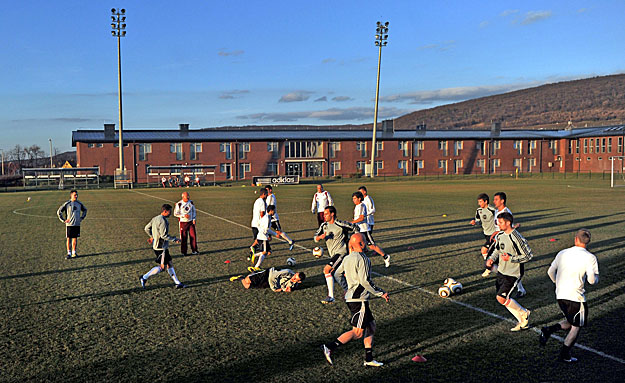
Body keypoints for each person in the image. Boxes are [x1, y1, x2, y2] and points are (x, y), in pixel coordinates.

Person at [321, 233, 390, 367]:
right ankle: (330, 347)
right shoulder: (363, 259)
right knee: (358, 333)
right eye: (364, 241)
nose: (366, 244)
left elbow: (336, 273)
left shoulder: (347, 258)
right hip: (359, 300)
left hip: (353, 298)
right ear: (361, 244)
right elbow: (365, 281)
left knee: (371, 326)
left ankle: (369, 359)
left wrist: (346, 288)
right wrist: (380, 292)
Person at [539, 229, 599, 363]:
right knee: (576, 327)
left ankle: (548, 330)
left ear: (576, 239)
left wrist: (557, 283)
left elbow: (550, 271)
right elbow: (591, 281)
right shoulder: (590, 257)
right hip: (576, 297)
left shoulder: (562, 253)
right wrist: (596, 277)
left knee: (571, 321)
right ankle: (564, 354)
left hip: (560, 295)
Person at [485, 212, 532, 331]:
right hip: (502, 271)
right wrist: (491, 259)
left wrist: (511, 258)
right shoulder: (500, 235)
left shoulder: (516, 237)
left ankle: (524, 313)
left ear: (508, 223)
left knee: (501, 298)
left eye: (500, 222)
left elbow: (528, 255)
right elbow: (497, 249)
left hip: (513, 273)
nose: (498, 224)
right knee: (503, 299)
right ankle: (523, 321)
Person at [314, 206, 359, 304]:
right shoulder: (324, 225)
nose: (324, 216)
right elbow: (315, 238)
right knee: (338, 274)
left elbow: (356, 228)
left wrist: (352, 243)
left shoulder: (340, 224)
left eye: (326, 214)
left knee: (327, 270)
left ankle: (331, 297)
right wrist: (320, 237)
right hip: (333, 254)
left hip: (341, 253)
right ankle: (349, 291)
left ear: (332, 214)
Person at [489, 192, 526, 297]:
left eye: (496, 199)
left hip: (505, 242)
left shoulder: (506, 212)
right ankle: (512, 284)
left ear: (502, 201)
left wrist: (499, 234)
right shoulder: (497, 211)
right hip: (499, 241)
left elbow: (510, 228)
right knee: (491, 264)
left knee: (497, 265)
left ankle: (518, 288)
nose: (494, 201)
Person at [140, 204, 186, 289]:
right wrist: (175, 239)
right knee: (162, 267)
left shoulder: (155, 218)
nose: (170, 214)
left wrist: (152, 236)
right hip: (161, 247)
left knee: (170, 263)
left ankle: (177, 283)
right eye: (169, 212)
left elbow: (146, 228)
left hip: (159, 246)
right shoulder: (163, 221)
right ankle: (144, 277)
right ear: (165, 211)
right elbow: (164, 236)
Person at [351, 191, 390, 267]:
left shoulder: (362, 206)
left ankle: (385, 256)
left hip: (364, 230)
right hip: (358, 230)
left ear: (359, 198)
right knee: (355, 245)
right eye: (353, 198)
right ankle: (357, 263)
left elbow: (361, 218)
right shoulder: (356, 206)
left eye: (355, 198)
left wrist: (352, 222)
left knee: (372, 245)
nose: (353, 200)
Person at [470, 193, 497, 277]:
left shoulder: (492, 210)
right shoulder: (479, 211)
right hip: (486, 235)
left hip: (494, 235)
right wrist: (475, 222)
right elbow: (478, 221)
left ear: (486, 202)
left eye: (480, 202)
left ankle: (488, 268)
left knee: (484, 250)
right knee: (495, 253)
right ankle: (494, 266)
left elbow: (499, 220)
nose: (479, 204)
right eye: (478, 202)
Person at [57, 190, 88, 259]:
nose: (76, 196)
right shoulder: (67, 204)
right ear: (71, 195)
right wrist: (63, 220)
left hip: (77, 224)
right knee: (69, 239)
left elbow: (85, 210)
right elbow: (59, 211)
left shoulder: (79, 204)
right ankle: (69, 253)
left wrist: (82, 217)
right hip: (69, 224)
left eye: (77, 195)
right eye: (75, 195)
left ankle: (74, 252)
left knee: (75, 238)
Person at [265, 185, 295, 251]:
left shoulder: (271, 197)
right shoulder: (268, 197)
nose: (266, 192)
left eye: (267, 190)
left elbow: (270, 208)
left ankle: (290, 241)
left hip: (273, 218)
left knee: (278, 232)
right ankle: (265, 248)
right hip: (269, 217)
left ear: (270, 190)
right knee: (265, 232)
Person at [250, 204, 278, 270]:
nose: (275, 211)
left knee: (269, 252)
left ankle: (255, 256)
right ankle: (256, 266)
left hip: (261, 236)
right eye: (274, 210)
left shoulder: (265, 217)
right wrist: (274, 234)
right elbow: (267, 229)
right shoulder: (267, 218)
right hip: (263, 237)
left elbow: (259, 225)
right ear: (271, 211)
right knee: (264, 252)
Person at [241, 267, 306, 292]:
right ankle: (254, 272)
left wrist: (284, 290)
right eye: (295, 275)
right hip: (269, 273)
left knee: (247, 286)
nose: (293, 278)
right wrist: (274, 289)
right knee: (247, 280)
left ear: (299, 281)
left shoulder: (294, 286)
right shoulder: (287, 272)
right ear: (296, 273)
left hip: (271, 282)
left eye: (295, 279)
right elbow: (272, 277)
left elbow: (282, 285)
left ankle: (241, 278)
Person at [174, 191, 198, 256]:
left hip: (190, 222)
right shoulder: (179, 204)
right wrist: (183, 215)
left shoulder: (191, 202)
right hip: (183, 223)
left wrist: (194, 219)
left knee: (193, 236)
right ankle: (184, 252)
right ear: (183, 197)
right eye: (186, 196)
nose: (188, 197)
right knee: (184, 237)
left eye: (188, 196)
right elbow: (175, 214)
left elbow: (193, 211)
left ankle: (194, 250)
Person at [249, 187, 268, 259]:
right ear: (263, 194)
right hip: (258, 224)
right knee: (261, 240)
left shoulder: (257, 201)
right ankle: (254, 249)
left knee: (257, 240)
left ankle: (251, 254)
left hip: (254, 223)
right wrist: (264, 222)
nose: (267, 196)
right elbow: (262, 213)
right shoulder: (262, 202)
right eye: (266, 194)